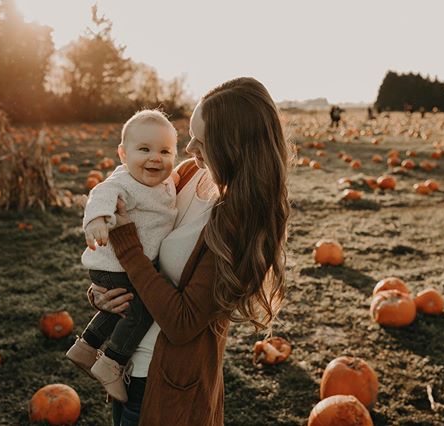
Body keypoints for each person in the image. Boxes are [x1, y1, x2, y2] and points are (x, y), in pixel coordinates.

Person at [87, 77, 291, 425]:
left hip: (166, 385)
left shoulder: (237, 222)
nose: (188, 147)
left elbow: (182, 323)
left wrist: (126, 243)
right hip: (125, 364)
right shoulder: (186, 176)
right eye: (190, 132)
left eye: (202, 140)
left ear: (233, 147)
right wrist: (104, 293)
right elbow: (142, 253)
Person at [65, 109, 179, 403]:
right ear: (123, 154)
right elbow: (102, 192)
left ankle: (86, 345)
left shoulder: (166, 182)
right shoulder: (125, 182)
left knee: (123, 306)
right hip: (114, 264)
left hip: (121, 266)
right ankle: (112, 361)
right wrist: (96, 221)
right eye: (144, 149)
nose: (156, 157)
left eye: (165, 151)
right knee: (142, 309)